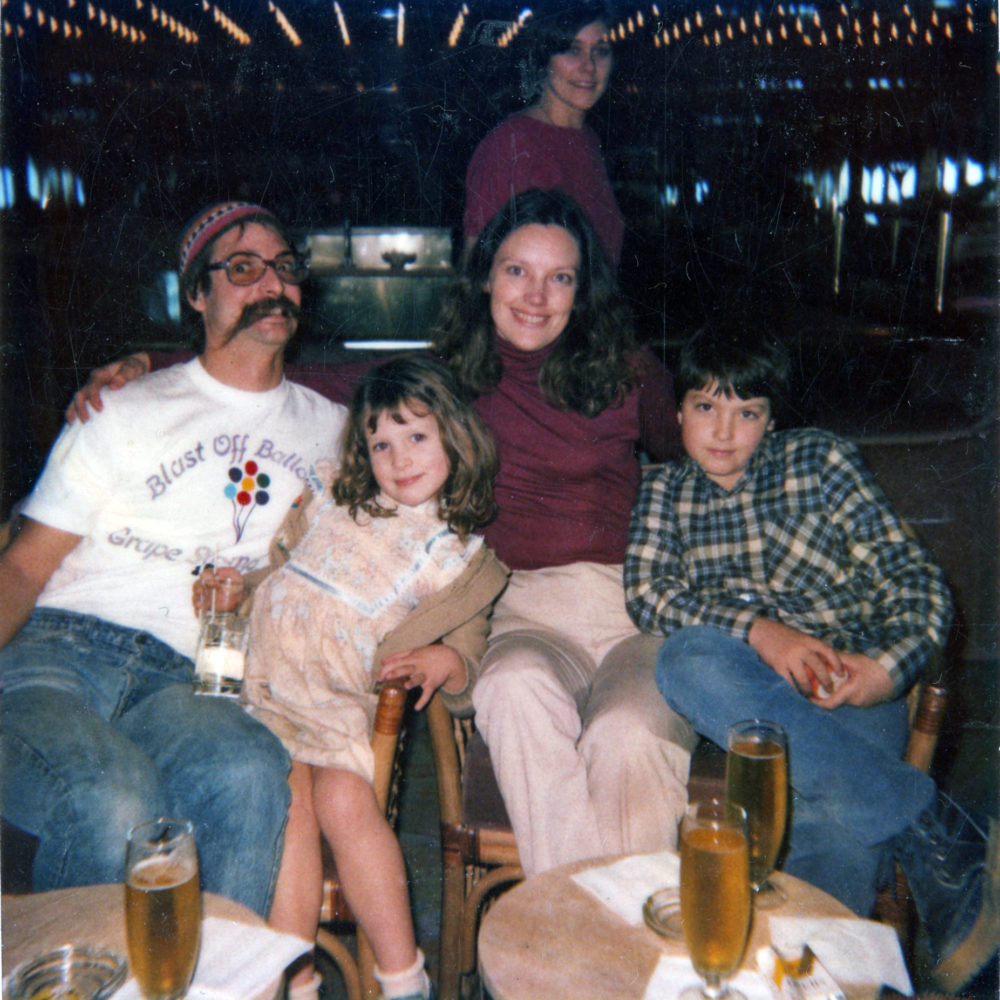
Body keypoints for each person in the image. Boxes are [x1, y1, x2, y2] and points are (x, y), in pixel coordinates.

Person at [66, 188, 696, 878]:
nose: (536, 296)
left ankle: (619, 949)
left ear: (584, 290)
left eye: (561, 277)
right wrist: (148, 367)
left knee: (629, 735)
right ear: (485, 276)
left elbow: (710, 453)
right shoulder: (450, 380)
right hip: (517, 609)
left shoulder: (631, 372)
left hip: (629, 608)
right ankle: (579, 926)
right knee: (511, 690)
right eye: (517, 271)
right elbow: (297, 376)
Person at [623, 322, 999, 992]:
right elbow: (649, 594)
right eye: (706, 407)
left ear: (771, 423)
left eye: (748, 412)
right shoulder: (663, 495)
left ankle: (814, 982)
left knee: (838, 821)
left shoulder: (820, 462)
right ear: (678, 411)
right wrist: (763, 632)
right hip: (736, 686)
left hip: (842, 684)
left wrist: (886, 668)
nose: (724, 430)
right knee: (682, 658)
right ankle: (931, 826)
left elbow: (915, 578)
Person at [0, 201, 348, 917]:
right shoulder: (124, 410)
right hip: (61, 652)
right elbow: (23, 567)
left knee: (251, 768)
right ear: (197, 294)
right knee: (111, 795)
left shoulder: (336, 430)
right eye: (243, 269)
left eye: (284, 268)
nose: (271, 287)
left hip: (187, 681)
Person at [195, 356, 507, 1000]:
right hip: (258, 691)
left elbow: (470, 645)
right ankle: (293, 979)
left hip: (335, 701)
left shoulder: (457, 554)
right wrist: (235, 595)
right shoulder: (340, 498)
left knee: (342, 801)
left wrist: (448, 661)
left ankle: (403, 975)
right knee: (285, 812)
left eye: (417, 436)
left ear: (456, 435)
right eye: (381, 444)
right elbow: (280, 575)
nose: (399, 458)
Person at [463, 1, 624, 267]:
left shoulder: (590, 141)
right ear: (544, 58)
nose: (590, 67)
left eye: (601, 51)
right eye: (573, 50)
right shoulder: (509, 143)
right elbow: (475, 269)